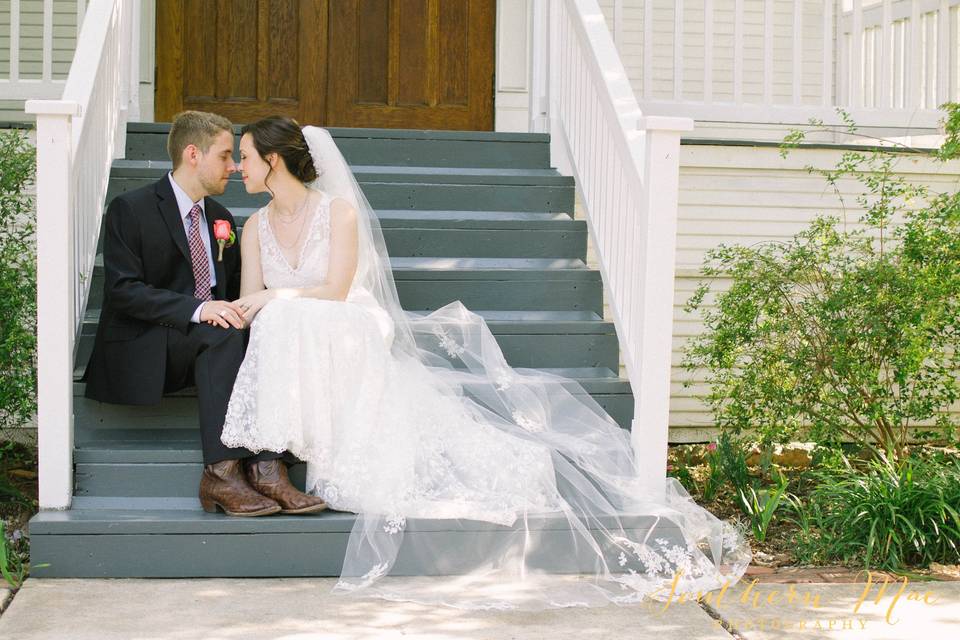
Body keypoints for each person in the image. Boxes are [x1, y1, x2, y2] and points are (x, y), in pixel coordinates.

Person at [219, 115, 752, 610]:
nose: (238, 167)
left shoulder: (338, 211)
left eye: (244, 156)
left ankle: (287, 453)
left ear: (274, 160)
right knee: (278, 320)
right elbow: (249, 300)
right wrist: (244, 308)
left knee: (296, 316)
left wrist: (278, 298)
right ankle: (278, 450)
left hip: (346, 317)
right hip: (296, 325)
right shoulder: (256, 224)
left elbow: (336, 290)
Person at [83, 110, 326, 518]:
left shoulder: (221, 219)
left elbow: (232, 296)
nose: (234, 166)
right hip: (148, 343)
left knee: (261, 330)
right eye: (226, 155)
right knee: (221, 333)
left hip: (208, 343)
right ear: (193, 154)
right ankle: (221, 470)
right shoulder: (131, 208)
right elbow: (124, 291)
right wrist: (199, 309)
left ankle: (268, 466)